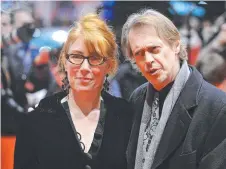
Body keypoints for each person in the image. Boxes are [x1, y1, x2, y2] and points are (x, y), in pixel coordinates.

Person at [14, 14, 133, 169]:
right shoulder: (36, 121)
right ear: (65, 61)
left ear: (109, 65)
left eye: (95, 58)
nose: (84, 68)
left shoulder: (126, 117)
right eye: (76, 57)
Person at [121, 9, 226, 169]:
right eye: (139, 53)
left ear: (176, 45)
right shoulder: (137, 98)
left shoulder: (217, 106)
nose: (148, 59)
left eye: (154, 49)